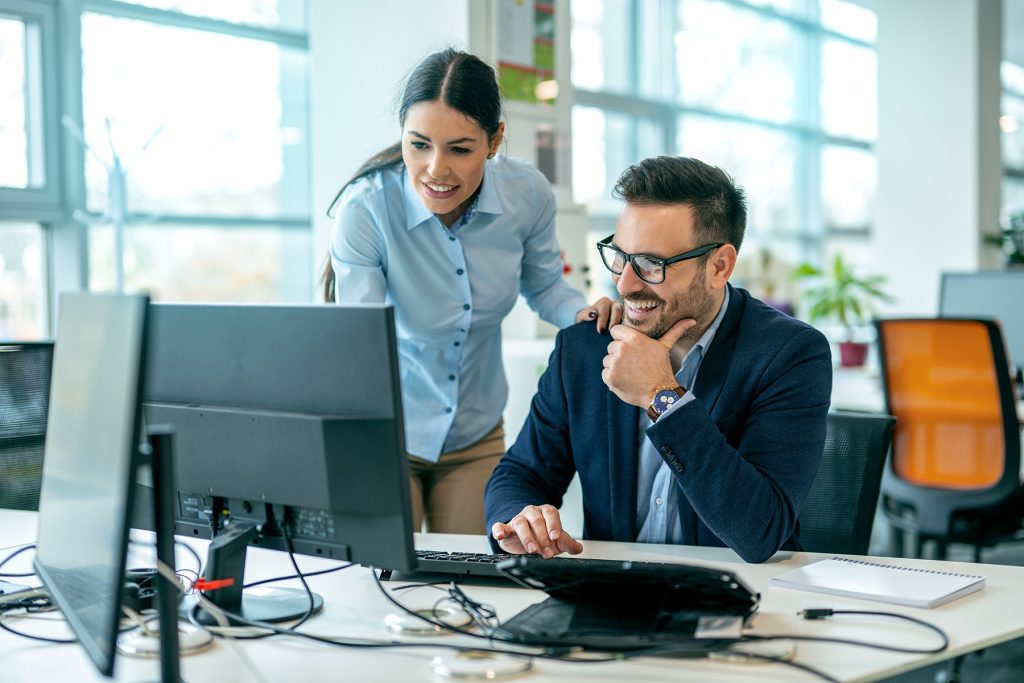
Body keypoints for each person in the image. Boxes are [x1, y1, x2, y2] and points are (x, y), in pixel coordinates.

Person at [324, 48, 620, 535]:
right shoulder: (368, 209)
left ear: (495, 139)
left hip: (476, 434)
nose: (436, 169)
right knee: (379, 583)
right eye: (418, 145)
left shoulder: (527, 194)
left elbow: (545, 286)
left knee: (472, 583)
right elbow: (362, 341)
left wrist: (589, 315)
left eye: (460, 149)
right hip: (385, 430)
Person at [485, 156, 833, 563]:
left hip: (739, 592)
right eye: (620, 257)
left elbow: (760, 531)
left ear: (719, 266)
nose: (625, 283)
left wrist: (660, 394)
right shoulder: (585, 347)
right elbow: (519, 473)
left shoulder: (789, 353)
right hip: (615, 596)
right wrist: (519, 519)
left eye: (652, 264)